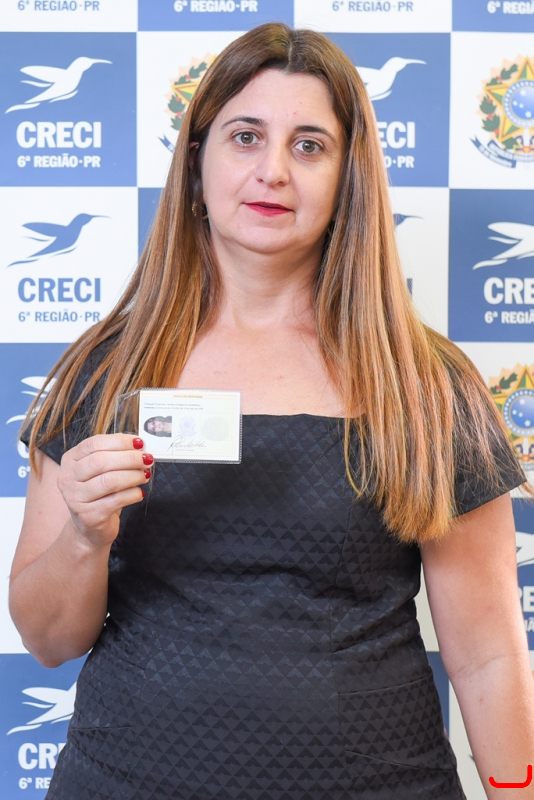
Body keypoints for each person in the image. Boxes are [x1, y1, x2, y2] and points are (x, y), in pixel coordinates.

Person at [9, 23, 534, 800]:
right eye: (246, 136)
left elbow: (488, 654)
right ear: (198, 163)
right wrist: (84, 537)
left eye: (309, 145)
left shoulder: (426, 384)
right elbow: (48, 640)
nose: (273, 171)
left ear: (348, 179)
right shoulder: (105, 370)